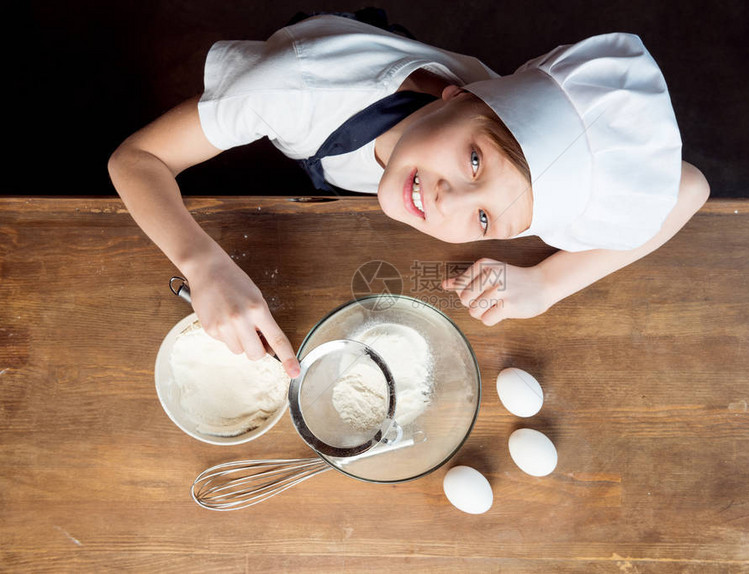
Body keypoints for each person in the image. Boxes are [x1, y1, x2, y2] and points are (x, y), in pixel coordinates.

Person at [108, 15, 710, 379]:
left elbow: (689, 189)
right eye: (475, 159)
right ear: (459, 93)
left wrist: (548, 283)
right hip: (314, 85)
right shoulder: (294, 89)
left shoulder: (516, 180)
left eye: (481, 217)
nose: (448, 199)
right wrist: (203, 262)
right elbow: (137, 159)